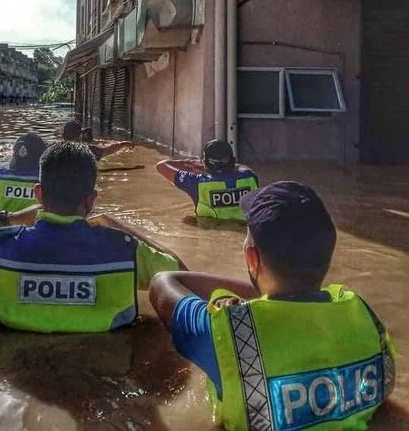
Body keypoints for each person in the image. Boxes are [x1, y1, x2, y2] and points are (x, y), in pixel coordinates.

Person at [149, 181, 396, 431]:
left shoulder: (230, 332)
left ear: (252, 260)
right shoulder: (365, 318)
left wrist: (255, 294)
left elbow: (162, 284)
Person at [0, 141, 185, 333]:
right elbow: (181, 274)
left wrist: (6, 219)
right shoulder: (127, 252)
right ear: (91, 200)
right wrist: (114, 223)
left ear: (39, 195)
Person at [156, 139, 259, 222]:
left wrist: (184, 162)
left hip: (212, 230)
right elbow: (241, 168)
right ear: (232, 160)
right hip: (246, 230)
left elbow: (161, 166)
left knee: (188, 221)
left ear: (206, 163)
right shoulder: (250, 177)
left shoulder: (197, 183)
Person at [62, 119, 134, 160]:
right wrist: (123, 144)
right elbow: (107, 150)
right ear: (80, 136)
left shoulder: (54, 150)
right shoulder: (86, 151)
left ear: (63, 136)